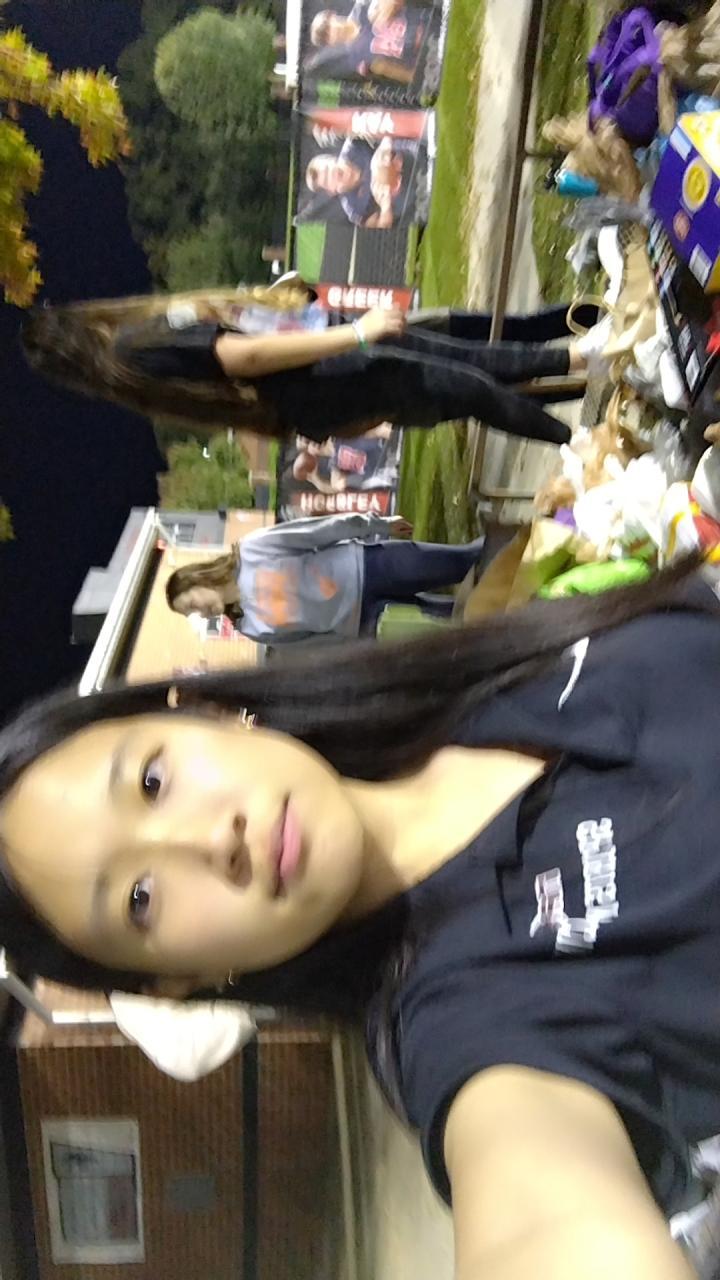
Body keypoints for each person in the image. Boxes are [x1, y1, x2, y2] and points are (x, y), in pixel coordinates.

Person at [0, 560, 716, 1279]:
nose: (210, 841)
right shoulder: (464, 1026)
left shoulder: (472, 677)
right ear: (177, 981)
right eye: (139, 899)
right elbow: (542, 1222)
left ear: (207, 712)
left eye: (152, 781)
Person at [20, 286, 590, 449]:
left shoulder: (130, 375)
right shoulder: (132, 347)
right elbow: (242, 356)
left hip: (312, 392)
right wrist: (355, 333)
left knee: (467, 376)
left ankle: (586, 380)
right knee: (467, 381)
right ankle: (588, 420)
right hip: (325, 372)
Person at [165, 513, 485, 643]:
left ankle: (516, 546)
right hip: (368, 622)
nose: (199, 613)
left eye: (192, 604)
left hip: (370, 566)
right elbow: (312, 640)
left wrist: (378, 525)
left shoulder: (252, 550)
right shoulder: (250, 628)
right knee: (461, 622)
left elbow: (318, 531)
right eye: (191, 614)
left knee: (468, 562)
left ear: (199, 579)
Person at [303, 135, 418, 227]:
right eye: (327, 180)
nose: (332, 174)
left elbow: (386, 129)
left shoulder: (354, 143)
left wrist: (384, 147)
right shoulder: (354, 208)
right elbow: (382, 226)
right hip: (414, 199)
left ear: (333, 158)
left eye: (328, 168)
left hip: (413, 155)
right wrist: (385, 206)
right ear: (331, 191)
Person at [306, 0, 426, 85]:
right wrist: (415, 78)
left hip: (426, 22)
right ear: (330, 44)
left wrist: (387, 7)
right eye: (327, 37)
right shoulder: (356, 57)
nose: (333, 32)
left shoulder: (362, 6)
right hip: (420, 56)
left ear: (332, 15)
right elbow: (388, 69)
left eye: (329, 27)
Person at [292, 426, 396, 494]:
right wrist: (315, 479)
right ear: (311, 455)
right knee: (343, 483)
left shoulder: (337, 435)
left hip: (385, 448)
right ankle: (385, 476)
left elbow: (369, 431)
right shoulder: (333, 464)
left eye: (310, 439)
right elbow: (335, 487)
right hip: (381, 470)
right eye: (308, 445)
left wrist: (383, 432)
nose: (313, 443)